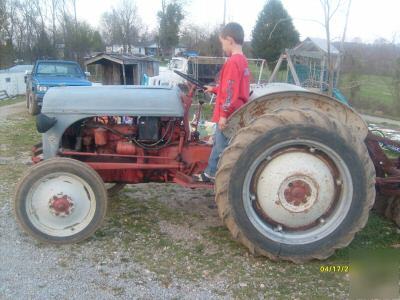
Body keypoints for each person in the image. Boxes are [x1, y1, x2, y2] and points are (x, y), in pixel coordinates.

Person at [193, 22, 251, 183]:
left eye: (222, 42)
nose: (222, 46)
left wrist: (224, 114)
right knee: (219, 142)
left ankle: (211, 173)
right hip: (236, 109)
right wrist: (215, 89)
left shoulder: (232, 62)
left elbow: (231, 90)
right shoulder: (242, 60)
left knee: (220, 145)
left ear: (230, 40)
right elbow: (234, 87)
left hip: (229, 113)